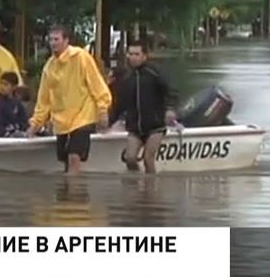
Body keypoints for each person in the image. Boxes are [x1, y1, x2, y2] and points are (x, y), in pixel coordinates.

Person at [26, 25, 112, 174]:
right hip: (61, 120)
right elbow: (44, 100)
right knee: (65, 160)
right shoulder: (49, 67)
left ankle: (74, 195)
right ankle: (68, 194)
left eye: (56, 39)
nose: (53, 43)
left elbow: (96, 83)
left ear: (66, 40)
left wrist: (103, 109)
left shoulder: (81, 56)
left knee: (74, 157)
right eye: (51, 39)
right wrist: (36, 124)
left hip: (82, 116)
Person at [109, 40, 179, 173]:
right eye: (130, 54)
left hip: (155, 126)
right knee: (130, 159)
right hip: (135, 128)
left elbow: (172, 91)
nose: (133, 57)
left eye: (136, 54)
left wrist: (170, 109)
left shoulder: (155, 73)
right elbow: (120, 104)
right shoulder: (126, 78)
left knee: (148, 158)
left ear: (144, 56)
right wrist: (110, 121)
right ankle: (137, 189)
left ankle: (151, 190)